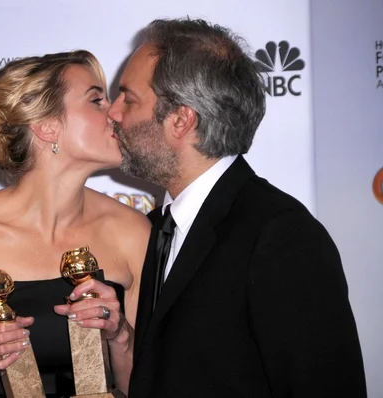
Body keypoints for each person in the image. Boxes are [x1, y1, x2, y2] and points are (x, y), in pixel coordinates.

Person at [106, 18, 368, 397]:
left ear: (181, 120)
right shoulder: (154, 229)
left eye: (128, 98)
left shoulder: (281, 237)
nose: (113, 112)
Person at [0, 50, 150, 398]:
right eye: (96, 100)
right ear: (46, 126)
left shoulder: (133, 233)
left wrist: (119, 334)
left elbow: (147, 384)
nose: (114, 112)